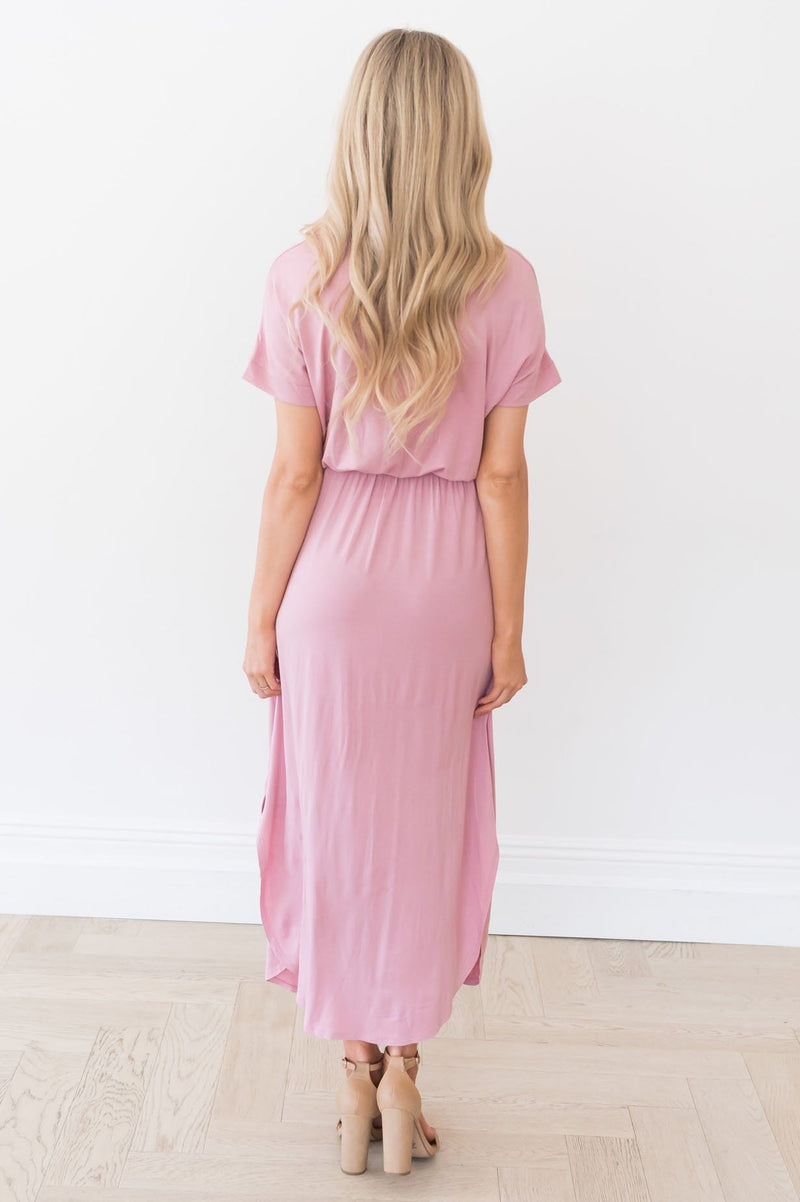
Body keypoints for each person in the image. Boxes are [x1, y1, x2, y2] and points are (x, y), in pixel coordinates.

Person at [241, 27, 561, 1177]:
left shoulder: (299, 276)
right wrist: (508, 629)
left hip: (330, 585)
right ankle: (404, 1070)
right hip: (442, 591)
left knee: (331, 819)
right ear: (460, 136)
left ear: (359, 133)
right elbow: (500, 475)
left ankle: (351, 1074)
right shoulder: (505, 281)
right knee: (425, 830)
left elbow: (292, 475)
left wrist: (259, 616)